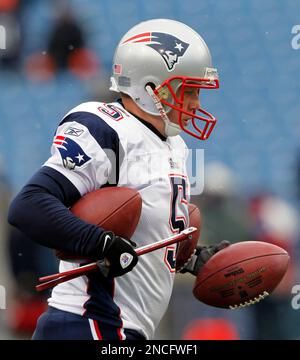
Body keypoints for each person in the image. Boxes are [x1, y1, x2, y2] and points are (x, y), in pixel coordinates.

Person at [8, 19, 228, 340]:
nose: (196, 103)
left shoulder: (172, 144)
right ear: (151, 88)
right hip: (88, 322)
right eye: (190, 91)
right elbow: (29, 206)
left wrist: (190, 258)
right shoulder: (106, 128)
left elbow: (136, 240)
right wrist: (101, 244)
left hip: (123, 328)